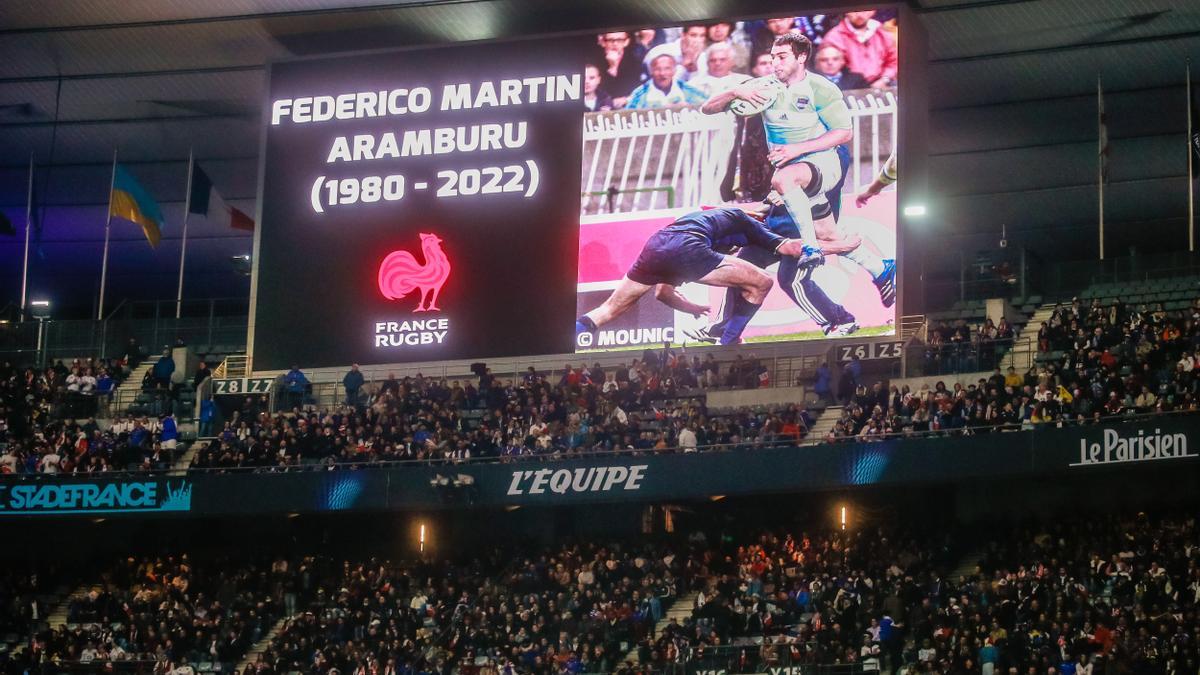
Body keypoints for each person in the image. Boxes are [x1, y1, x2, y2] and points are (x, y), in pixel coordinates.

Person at [702, 31, 896, 309]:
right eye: (772, 57)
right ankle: (881, 269)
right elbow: (707, 108)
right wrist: (736, 91)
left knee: (784, 178)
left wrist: (798, 149)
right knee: (829, 233)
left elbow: (843, 133)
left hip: (825, 162)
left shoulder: (821, 88)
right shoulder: (764, 86)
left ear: (801, 57)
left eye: (782, 57)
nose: (775, 63)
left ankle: (811, 248)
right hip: (794, 170)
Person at [575, 204, 812, 347]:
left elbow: (663, 293)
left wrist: (694, 309)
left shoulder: (704, 218)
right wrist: (829, 244)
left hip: (656, 245)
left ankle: (567, 335)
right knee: (762, 282)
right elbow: (790, 248)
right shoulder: (746, 222)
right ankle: (728, 342)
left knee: (608, 309)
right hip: (688, 246)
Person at [821, 10, 898, 88]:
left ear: (872, 11)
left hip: (882, 83)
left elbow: (893, 62)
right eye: (855, 11)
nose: (860, 15)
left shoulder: (883, 33)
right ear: (846, 12)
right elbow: (829, 68)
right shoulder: (833, 38)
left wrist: (885, 79)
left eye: (864, 10)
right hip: (849, 86)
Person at [626, 53, 707, 109]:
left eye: (667, 68)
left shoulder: (686, 89)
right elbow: (628, 117)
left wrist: (690, 107)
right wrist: (661, 109)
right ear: (651, 71)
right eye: (657, 69)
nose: (662, 73)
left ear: (674, 70)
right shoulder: (640, 93)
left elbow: (708, 106)